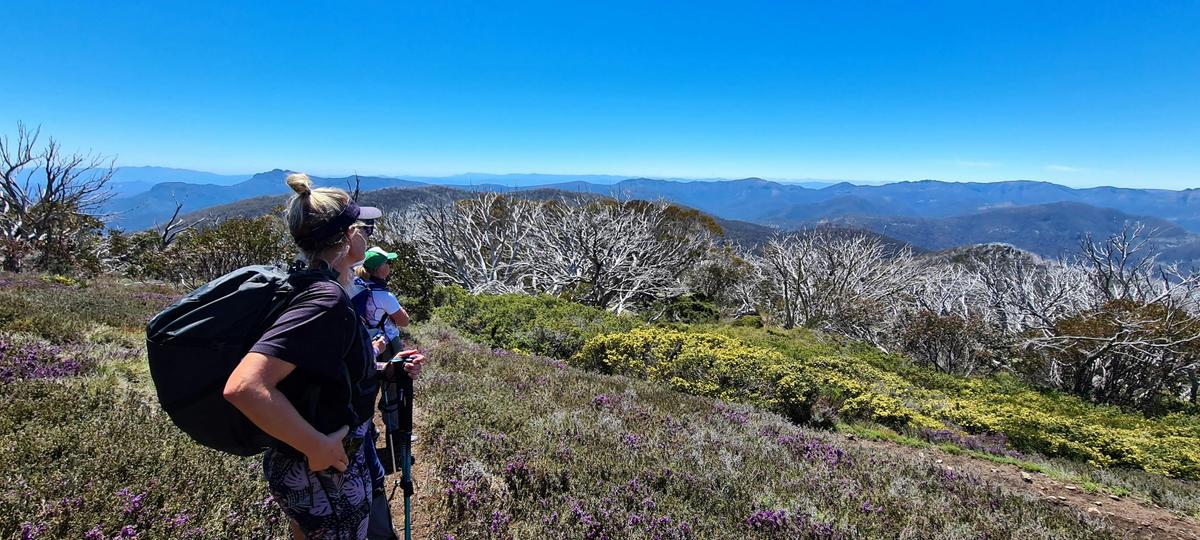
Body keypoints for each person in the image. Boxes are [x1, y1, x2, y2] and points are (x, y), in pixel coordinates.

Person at [223, 173, 424, 540]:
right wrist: (316, 446)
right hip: (325, 473)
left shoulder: (310, 286)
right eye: (365, 228)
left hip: (320, 466)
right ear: (350, 237)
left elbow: (320, 372)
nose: (367, 234)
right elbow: (244, 386)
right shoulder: (326, 300)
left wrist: (385, 371)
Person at [352, 246, 411, 361]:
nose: (390, 265)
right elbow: (404, 321)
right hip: (387, 343)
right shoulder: (384, 296)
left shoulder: (358, 287)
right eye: (387, 262)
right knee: (396, 375)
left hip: (366, 340)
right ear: (379, 268)